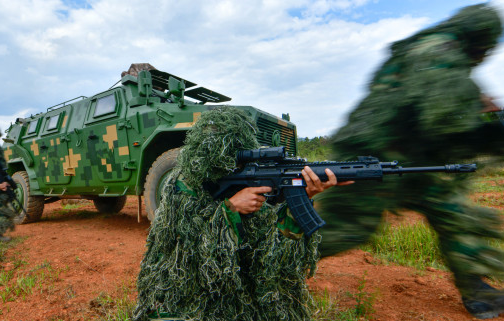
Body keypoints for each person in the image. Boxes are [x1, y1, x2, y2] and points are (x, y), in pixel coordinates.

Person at [316, 3, 504, 319]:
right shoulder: (440, 54)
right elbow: (445, 132)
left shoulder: (430, 52)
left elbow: (423, 107)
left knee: (456, 214)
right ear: (482, 39)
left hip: (412, 159)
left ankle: (479, 293)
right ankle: (268, 259)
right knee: (347, 230)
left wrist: (473, 103)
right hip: (376, 158)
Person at [132, 107, 345, 321]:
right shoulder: (181, 185)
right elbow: (193, 260)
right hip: (184, 294)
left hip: (235, 285)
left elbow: (270, 258)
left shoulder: (251, 179)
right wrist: (231, 208)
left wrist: (302, 196)